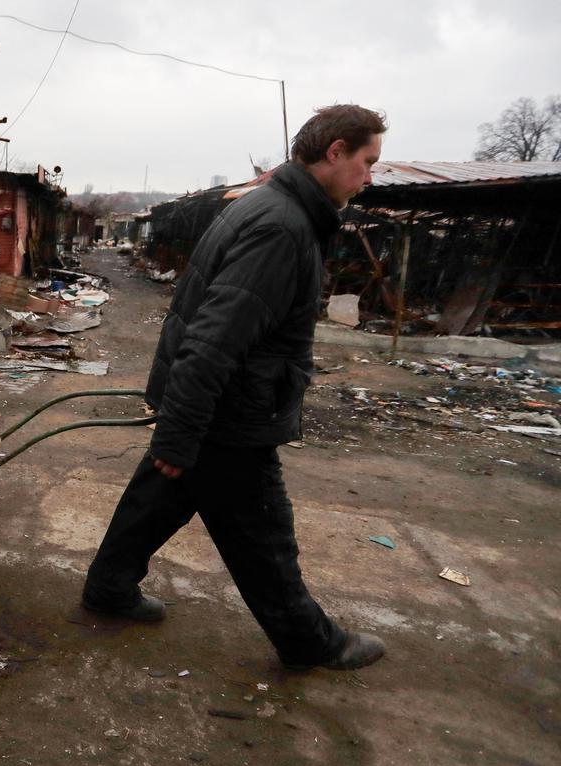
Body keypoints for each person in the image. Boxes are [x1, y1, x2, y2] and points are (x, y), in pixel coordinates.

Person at [82, 105, 388, 670]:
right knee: (262, 533)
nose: (369, 177)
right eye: (367, 161)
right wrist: (181, 431)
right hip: (230, 411)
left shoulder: (268, 205)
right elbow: (216, 339)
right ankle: (310, 641)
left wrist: (178, 428)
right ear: (336, 151)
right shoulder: (283, 225)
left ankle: (109, 587)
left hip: (213, 402)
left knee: (160, 496)